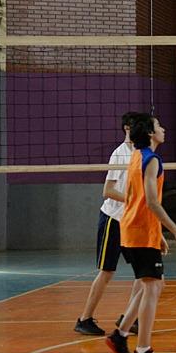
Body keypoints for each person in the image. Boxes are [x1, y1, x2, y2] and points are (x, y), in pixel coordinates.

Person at [105, 115, 176, 353]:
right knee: (152, 287)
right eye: (159, 126)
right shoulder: (151, 160)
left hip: (133, 229)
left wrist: (157, 235)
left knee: (151, 284)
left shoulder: (136, 156)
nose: (163, 129)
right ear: (151, 134)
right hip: (139, 231)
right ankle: (142, 350)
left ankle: (120, 335)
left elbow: (135, 198)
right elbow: (152, 202)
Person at [75, 111, 146, 335]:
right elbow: (107, 190)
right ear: (127, 128)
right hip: (113, 219)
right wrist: (132, 200)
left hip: (132, 221)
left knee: (144, 273)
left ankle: (129, 317)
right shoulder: (120, 154)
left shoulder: (143, 154)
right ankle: (84, 319)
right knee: (107, 272)